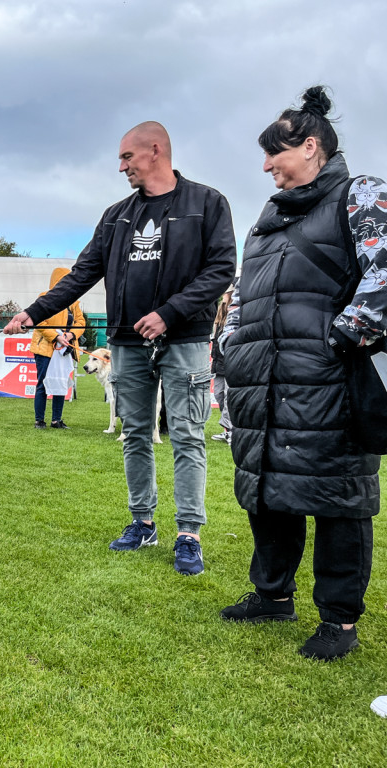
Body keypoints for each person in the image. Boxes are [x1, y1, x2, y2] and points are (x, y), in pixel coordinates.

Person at [5, 122, 236, 575]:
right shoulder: (116, 216)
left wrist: (170, 312)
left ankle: (189, 533)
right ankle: (142, 522)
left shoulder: (207, 203)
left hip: (185, 339)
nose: (121, 166)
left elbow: (222, 268)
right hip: (127, 343)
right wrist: (34, 311)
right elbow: (81, 274)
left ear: (155, 150)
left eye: (127, 157)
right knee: (134, 434)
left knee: (187, 436)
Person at [219, 86, 385, 661]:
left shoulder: (361, 193)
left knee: (339, 498)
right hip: (262, 379)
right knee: (268, 492)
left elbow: (385, 269)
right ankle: (273, 596)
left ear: (310, 146)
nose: (266, 165)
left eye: (275, 153)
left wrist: (345, 335)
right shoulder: (266, 219)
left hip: (330, 381)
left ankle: (338, 622)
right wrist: (230, 341)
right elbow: (243, 293)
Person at [30, 267, 84, 429]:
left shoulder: (73, 302)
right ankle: (39, 420)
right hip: (46, 348)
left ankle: (56, 420)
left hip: (64, 349)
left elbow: (80, 322)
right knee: (43, 382)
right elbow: (38, 321)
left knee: (61, 382)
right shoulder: (44, 298)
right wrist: (56, 336)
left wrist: (69, 336)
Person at [209, 283, 235, 444]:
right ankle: (228, 429)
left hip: (231, 361)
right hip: (218, 361)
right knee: (219, 394)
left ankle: (231, 431)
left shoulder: (236, 311)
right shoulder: (220, 311)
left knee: (228, 396)